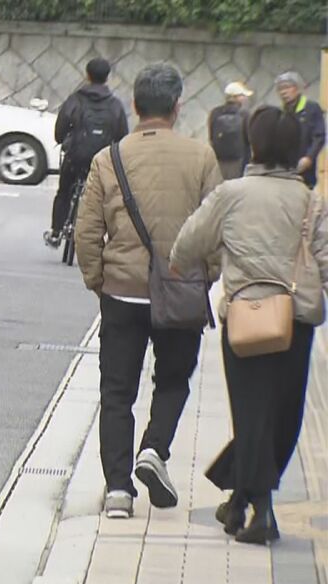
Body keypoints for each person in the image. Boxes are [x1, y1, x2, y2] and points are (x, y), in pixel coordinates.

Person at [171, 106, 328, 545]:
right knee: (283, 416)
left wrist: (203, 262)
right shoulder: (311, 201)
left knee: (252, 413)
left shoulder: (231, 194)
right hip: (296, 321)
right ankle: (251, 505)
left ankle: (252, 507)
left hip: (245, 318)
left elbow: (187, 246)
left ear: (253, 144)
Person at [74, 63, 223, 519]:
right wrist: (205, 276)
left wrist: (99, 280)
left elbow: (87, 231)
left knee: (117, 391)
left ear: (135, 105)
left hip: (122, 293)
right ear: (177, 107)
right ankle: (154, 449)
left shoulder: (109, 158)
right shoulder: (201, 157)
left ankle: (118, 491)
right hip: (180, 291)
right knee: (174, 380)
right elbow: (216, 229)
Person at [45, 57, 129, 248]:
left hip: (75, 157)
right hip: (102, 160)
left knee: (64, 191)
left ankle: (56, 232)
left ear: (87, 75)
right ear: (107, 77)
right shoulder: (115, 105)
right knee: (105, 197)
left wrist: (63, 140)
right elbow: (122, 136)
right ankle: (103, 236)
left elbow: (60, 130)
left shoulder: (75, 100)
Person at [275, 71, 326, 189]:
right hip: (283, 170)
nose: (283, 92)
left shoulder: (311, 108)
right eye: (280, 89)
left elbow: (319, 136)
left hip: (305, 170)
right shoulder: (279, 112)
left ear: (298, 88)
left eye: (287, 87)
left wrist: (309, 157)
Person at [207, 81, 253, 180]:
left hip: (219, 159)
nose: (245, 98)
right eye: (242, 95)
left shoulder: (215, 112)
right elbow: (250, 138)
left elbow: (211, 136)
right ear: (234, 97)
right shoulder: (245, 114)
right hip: (239, 160)